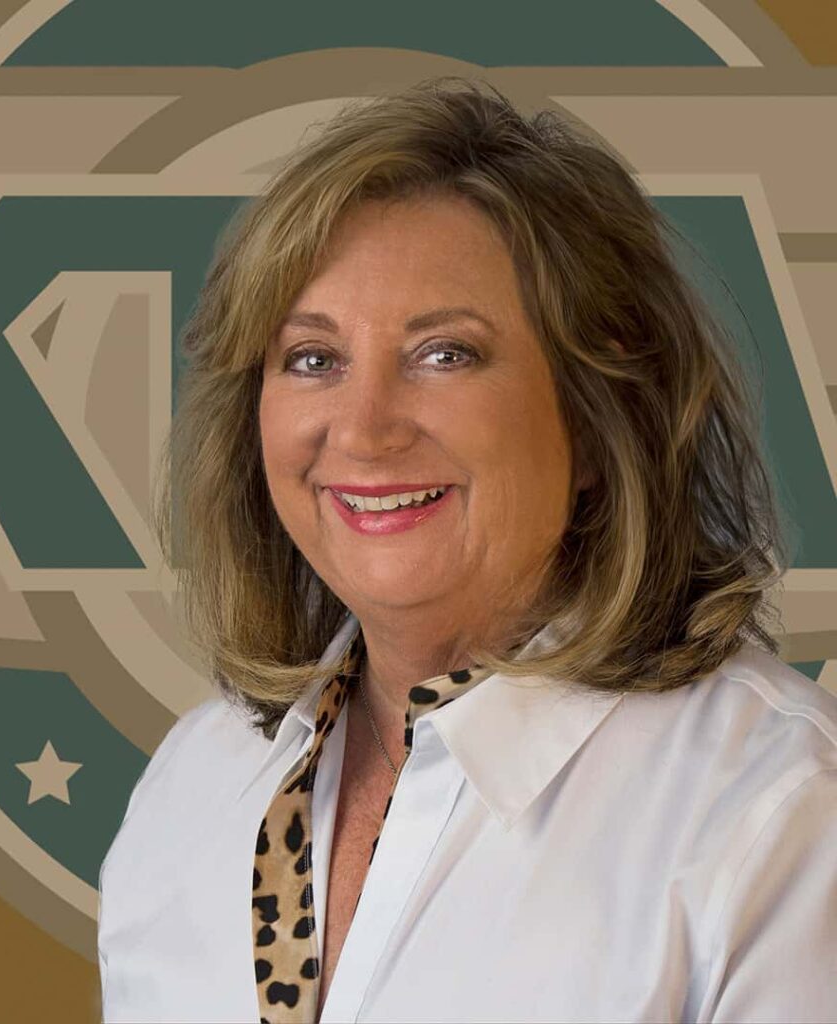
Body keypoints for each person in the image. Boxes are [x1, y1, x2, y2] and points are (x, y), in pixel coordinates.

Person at [97, 78, 837, 1023]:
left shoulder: (778, 812)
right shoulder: (192, 784)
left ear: (600, 415)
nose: (363, 429)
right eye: (314, 359)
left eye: (445, 354)